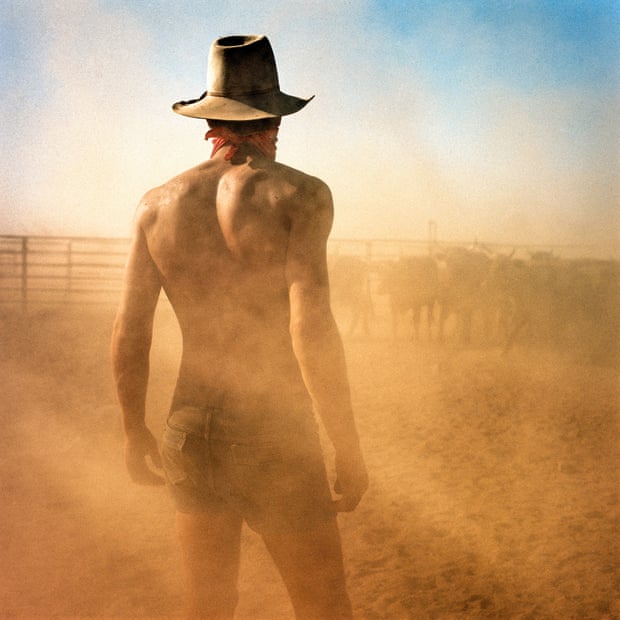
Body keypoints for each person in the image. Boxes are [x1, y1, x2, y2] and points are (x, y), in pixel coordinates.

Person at [111, 35, 368, 619]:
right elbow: (311, 325)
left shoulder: (155, 205)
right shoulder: (300, 195)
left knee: (207, 605)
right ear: (273, 119)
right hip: (274, 429)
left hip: (190, 427)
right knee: (324, 604)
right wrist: (345, 442)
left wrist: (132, 429)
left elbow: (131, 329)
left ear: (211, 122)